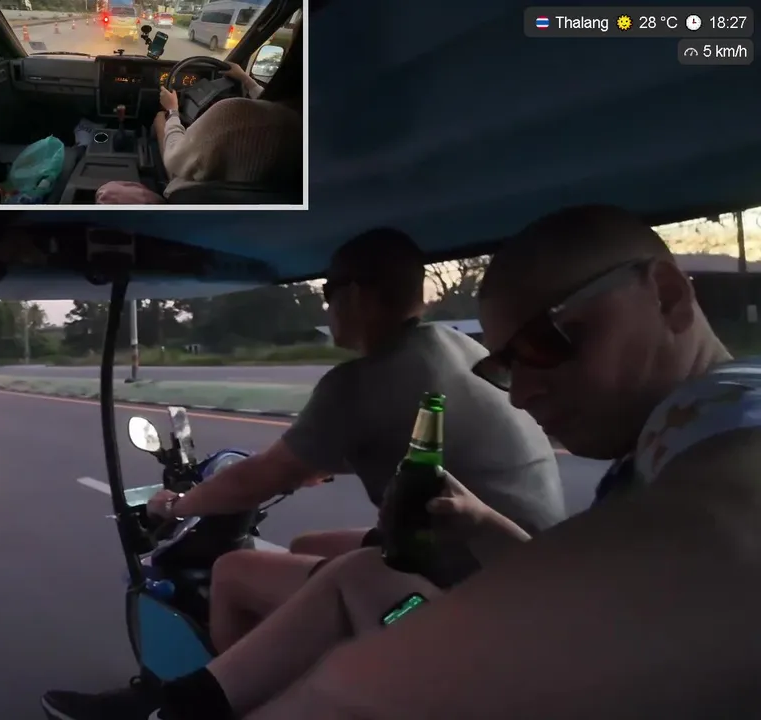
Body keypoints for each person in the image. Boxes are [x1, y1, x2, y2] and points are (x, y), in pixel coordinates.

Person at [120, 204, 761, 720]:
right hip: (483, 558)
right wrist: (481, 522)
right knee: (337, 558)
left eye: (546, 342)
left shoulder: (718, 418)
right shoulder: (660, 428)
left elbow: (724, 516)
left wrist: (177, 505)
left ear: (667, 296)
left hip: (457, 588)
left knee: (255, 570)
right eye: (504, 365)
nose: (521, 393)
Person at [40, 227, 568, 720]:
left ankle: (243, 698)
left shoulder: (361, 381)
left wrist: (175, 505)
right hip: (520, 561)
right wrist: (311, 466)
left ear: (354, 295)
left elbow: (258, 478)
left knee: (233, 571)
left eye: (328, 294)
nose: (326, 307)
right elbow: (377, 445)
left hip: (467, 583)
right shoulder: (458, 348)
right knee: (308, 543)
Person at [95, 28, 304, 205]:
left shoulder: (234, 115)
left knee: (160, 119)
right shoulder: (305, 123)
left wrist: (173, 111)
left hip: (188, 194)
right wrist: (245, 79)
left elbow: (174, 159)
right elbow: (272, 102)